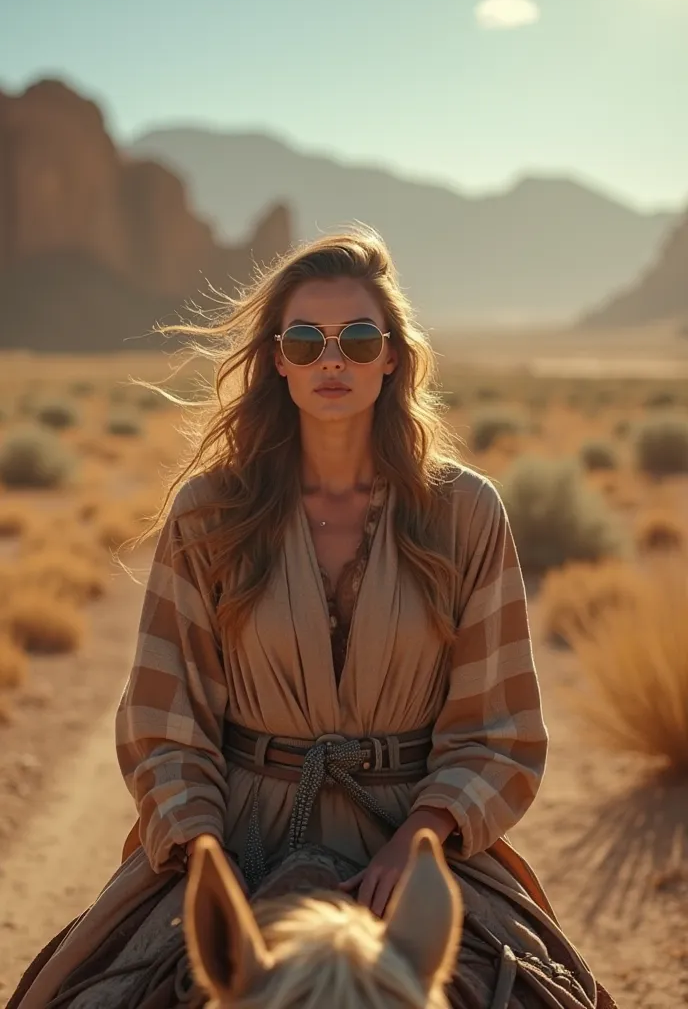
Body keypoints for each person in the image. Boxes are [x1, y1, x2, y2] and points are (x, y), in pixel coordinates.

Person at [8, 228, 616, 1009]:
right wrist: (203, 853)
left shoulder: (466, 512)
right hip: (235, 835)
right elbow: (167, 720)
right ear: (278, 359)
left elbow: (499, 728)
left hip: (411, 839)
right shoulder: (210, 513)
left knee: (547, 992)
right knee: (76, 993)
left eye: (359, 339)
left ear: (393, 355)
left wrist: (421, 836)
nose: (334, 359)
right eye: (307, 339)